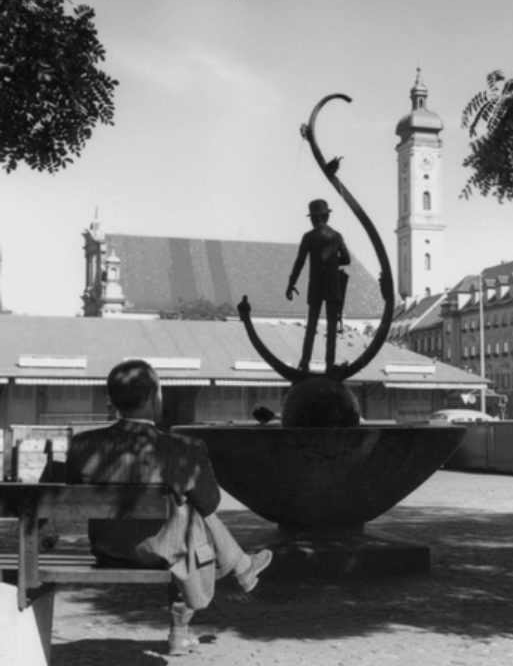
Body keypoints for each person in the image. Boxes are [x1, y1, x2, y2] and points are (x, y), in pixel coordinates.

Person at [66, 359, 273, 656]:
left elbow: (70, 493)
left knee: (186, 518)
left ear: (112, 400)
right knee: (192, 520)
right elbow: (211, 503)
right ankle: (235, 572)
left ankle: (238, 570)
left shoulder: (83, 444)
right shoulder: (182, 450)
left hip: (108, 547)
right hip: (166, 551)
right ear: (154, 397)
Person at [286, 198, 350, 372]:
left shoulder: (308, 237)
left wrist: (291, 284)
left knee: (311, 326)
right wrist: (332, 262)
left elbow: (299, 263)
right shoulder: (336, 236)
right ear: (326, 217)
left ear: (314, 218)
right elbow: (347, 259)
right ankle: (329, 365)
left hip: (315, 286)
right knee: (331, 327)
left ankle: (305, 362)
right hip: (332, 285)